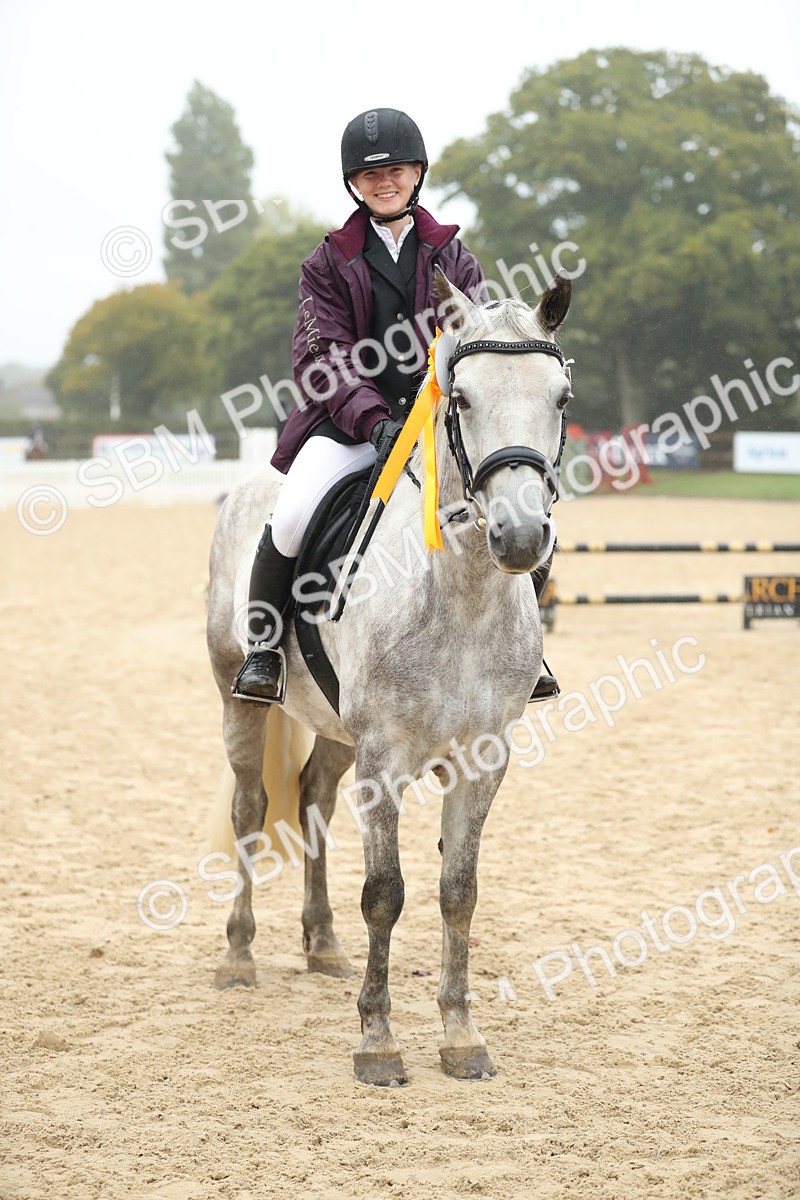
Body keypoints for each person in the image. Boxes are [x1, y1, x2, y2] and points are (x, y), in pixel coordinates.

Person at [232, 107, 559, 706]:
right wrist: (374, 419)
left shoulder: (454, 256)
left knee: (512, 501)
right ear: (353, 185)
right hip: (348, 426)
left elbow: (473, 348)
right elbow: (321, 356)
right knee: (294, 512)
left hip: (435, 425)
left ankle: (524, 651)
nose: (385, 182)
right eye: (369, 174)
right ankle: (263, 649)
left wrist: (431, 418)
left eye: (398, 170)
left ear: (418, 175)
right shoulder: (327, 261)